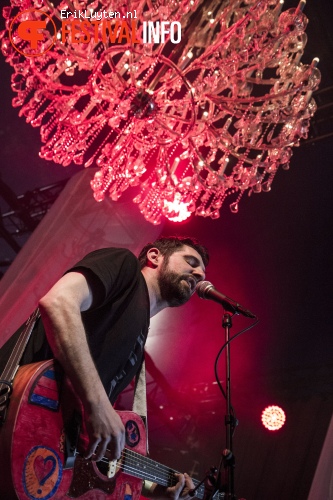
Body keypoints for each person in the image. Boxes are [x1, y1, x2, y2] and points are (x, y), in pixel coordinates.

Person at [0, 236, 209, 499]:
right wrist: (98, 404)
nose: (199, 273)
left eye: (201, 271)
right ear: (155, 257)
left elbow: (89, 443)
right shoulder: (124, 267)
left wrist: (153, 487)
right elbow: (59, 301)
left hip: (30, 464)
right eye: (191, 262)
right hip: (11, 415)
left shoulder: (138, 343)